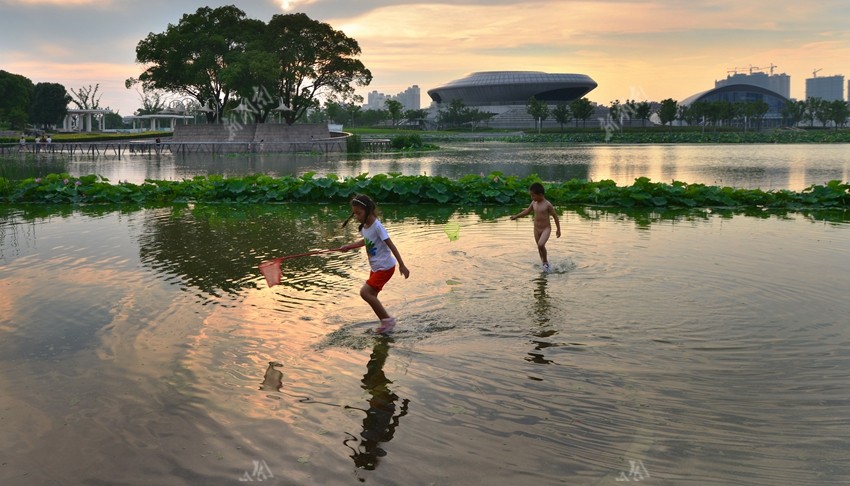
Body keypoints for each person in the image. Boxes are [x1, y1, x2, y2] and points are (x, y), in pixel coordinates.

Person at [340, 194, 410, 333]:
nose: (357, 217)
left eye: (359, 213)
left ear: (368, 210)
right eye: (355, 214)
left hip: (385, 267)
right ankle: (385, 324)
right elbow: (365, 242)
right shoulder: (365, 227)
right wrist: (349, 246)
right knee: (372, 295)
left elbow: (392, 246)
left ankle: (388, 321)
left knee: (365, 293)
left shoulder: (377, 226)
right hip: (376, 267)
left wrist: (402, 265)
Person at [510, 182, 561, 271]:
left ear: (540, 195)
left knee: (541, 244)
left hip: (546, 228)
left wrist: (558, 230)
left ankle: (545, 262)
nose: (532, 197)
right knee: (539, 246)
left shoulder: (547, 205)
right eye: (531, 195)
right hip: (536, 228)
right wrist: (516, 216)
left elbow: (555, 217)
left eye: (533, 195)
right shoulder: (534, 203)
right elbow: (527, 211)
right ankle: (543, 265)